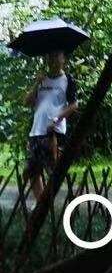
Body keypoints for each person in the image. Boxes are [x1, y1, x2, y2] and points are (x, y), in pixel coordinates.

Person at [23, 50, 78, 203]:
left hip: (54, 132)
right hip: (36, 131)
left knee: (54, 169)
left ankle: (67, 200)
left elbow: (74, 105)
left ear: (63, 59)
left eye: (56, 55)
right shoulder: (42, 79)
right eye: (49, 56)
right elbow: (27, 102)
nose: (52, 59)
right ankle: (42, 204)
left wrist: (57, 118)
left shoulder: (68, 80)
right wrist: (36, 83)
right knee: (32, 171)